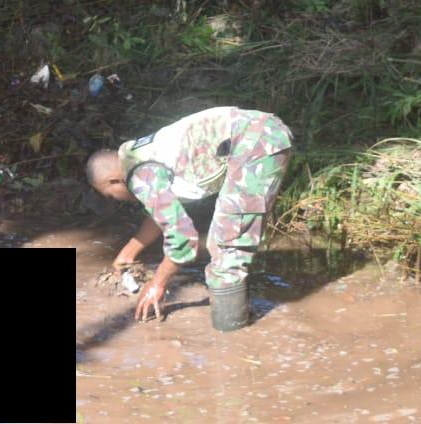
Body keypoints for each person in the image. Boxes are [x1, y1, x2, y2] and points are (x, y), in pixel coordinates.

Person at [85, 106, 293, 331]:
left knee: (227, 248)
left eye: (109, 195)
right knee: (227, 241)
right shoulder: (136, 155)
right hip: (258, 134)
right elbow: (162, 214)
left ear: (114, 181)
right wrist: (127, 255)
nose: (116, 200)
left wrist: (158, 283)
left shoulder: (141, 176)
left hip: (255, 144)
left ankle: (232, 335)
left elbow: (184, 240)